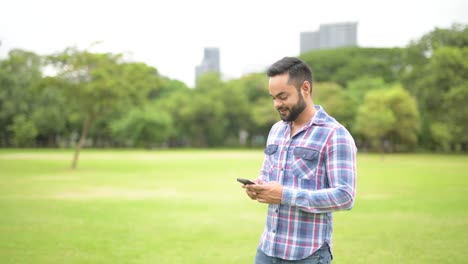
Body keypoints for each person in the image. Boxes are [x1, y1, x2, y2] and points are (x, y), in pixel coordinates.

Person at [242, 57, 357, 264]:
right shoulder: (276, 130)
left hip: (307, 255)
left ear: (305, 88)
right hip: (267, 250)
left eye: (283, 96)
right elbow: (269, 176)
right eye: (273, 98)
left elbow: (345, 196)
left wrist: (285, 195)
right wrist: (258, 186)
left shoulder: (335, 135)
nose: (277, 104)